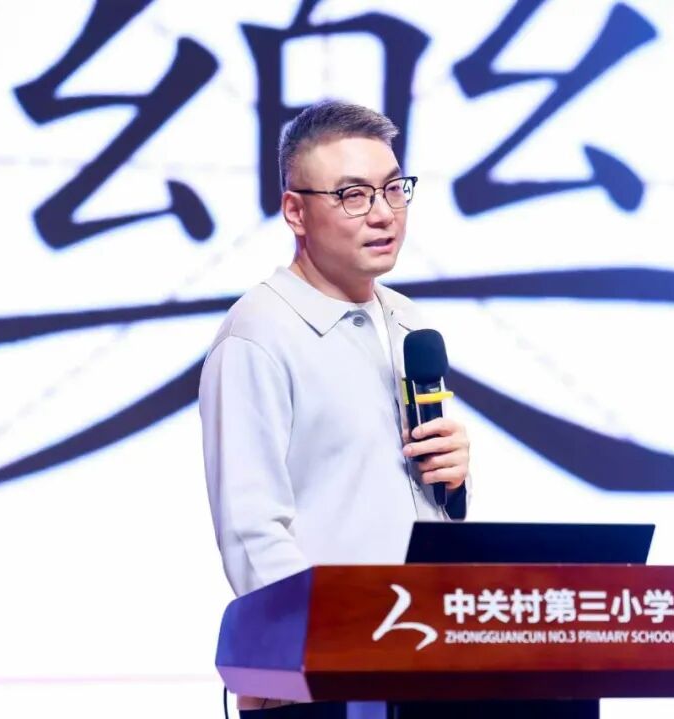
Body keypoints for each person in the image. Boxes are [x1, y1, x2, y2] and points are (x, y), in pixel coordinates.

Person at [198, 100, 471, 604]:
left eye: (393, 189)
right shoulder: (258, 334)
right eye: (353, 196)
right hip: (336, 642)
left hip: (426, 629)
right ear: (295, 212)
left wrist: (452, 482)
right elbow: (251, 534)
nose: (384, 214)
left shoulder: (408, 320)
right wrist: (329, 632)